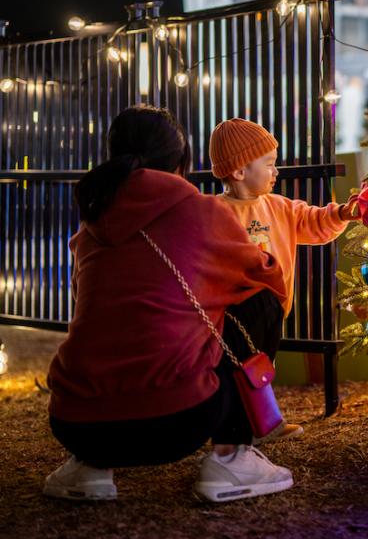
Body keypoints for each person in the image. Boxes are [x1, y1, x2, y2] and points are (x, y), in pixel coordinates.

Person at [45, 105, 293, 503]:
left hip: (75, 421)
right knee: (258, 295)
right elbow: (264, 275)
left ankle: (89, 467)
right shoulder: (203, 212)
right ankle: (232, 456)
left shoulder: (90, 226)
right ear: (180, 161)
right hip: (176, 422)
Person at [208, 118, 359, 439]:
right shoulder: (215, 213)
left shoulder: (278, 208)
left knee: (263, 365)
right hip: (232, 314)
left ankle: (261, 421)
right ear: (239, 172)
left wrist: (343, 213)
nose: (276, 172)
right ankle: (246, 426)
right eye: (270, 165)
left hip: (274, 309)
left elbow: (314, 220)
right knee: (240, 369)